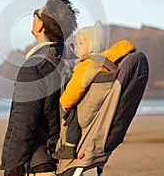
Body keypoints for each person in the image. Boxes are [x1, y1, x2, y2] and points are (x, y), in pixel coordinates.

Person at [0, 0, 84, 176]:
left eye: (36, 13)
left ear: (40, 24)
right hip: (70, 173)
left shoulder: (35, 67)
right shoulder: (75, 63)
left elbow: (23, 126)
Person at [52, 21, 136, 159]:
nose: (76, 48)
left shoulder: (87, 65)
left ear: (93, 45)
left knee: (72, 112)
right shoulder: (106, 61)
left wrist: (64, 103)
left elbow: (76, 87)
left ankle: (69, 146)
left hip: (86, 111)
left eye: (80, 44)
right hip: (101, 107)